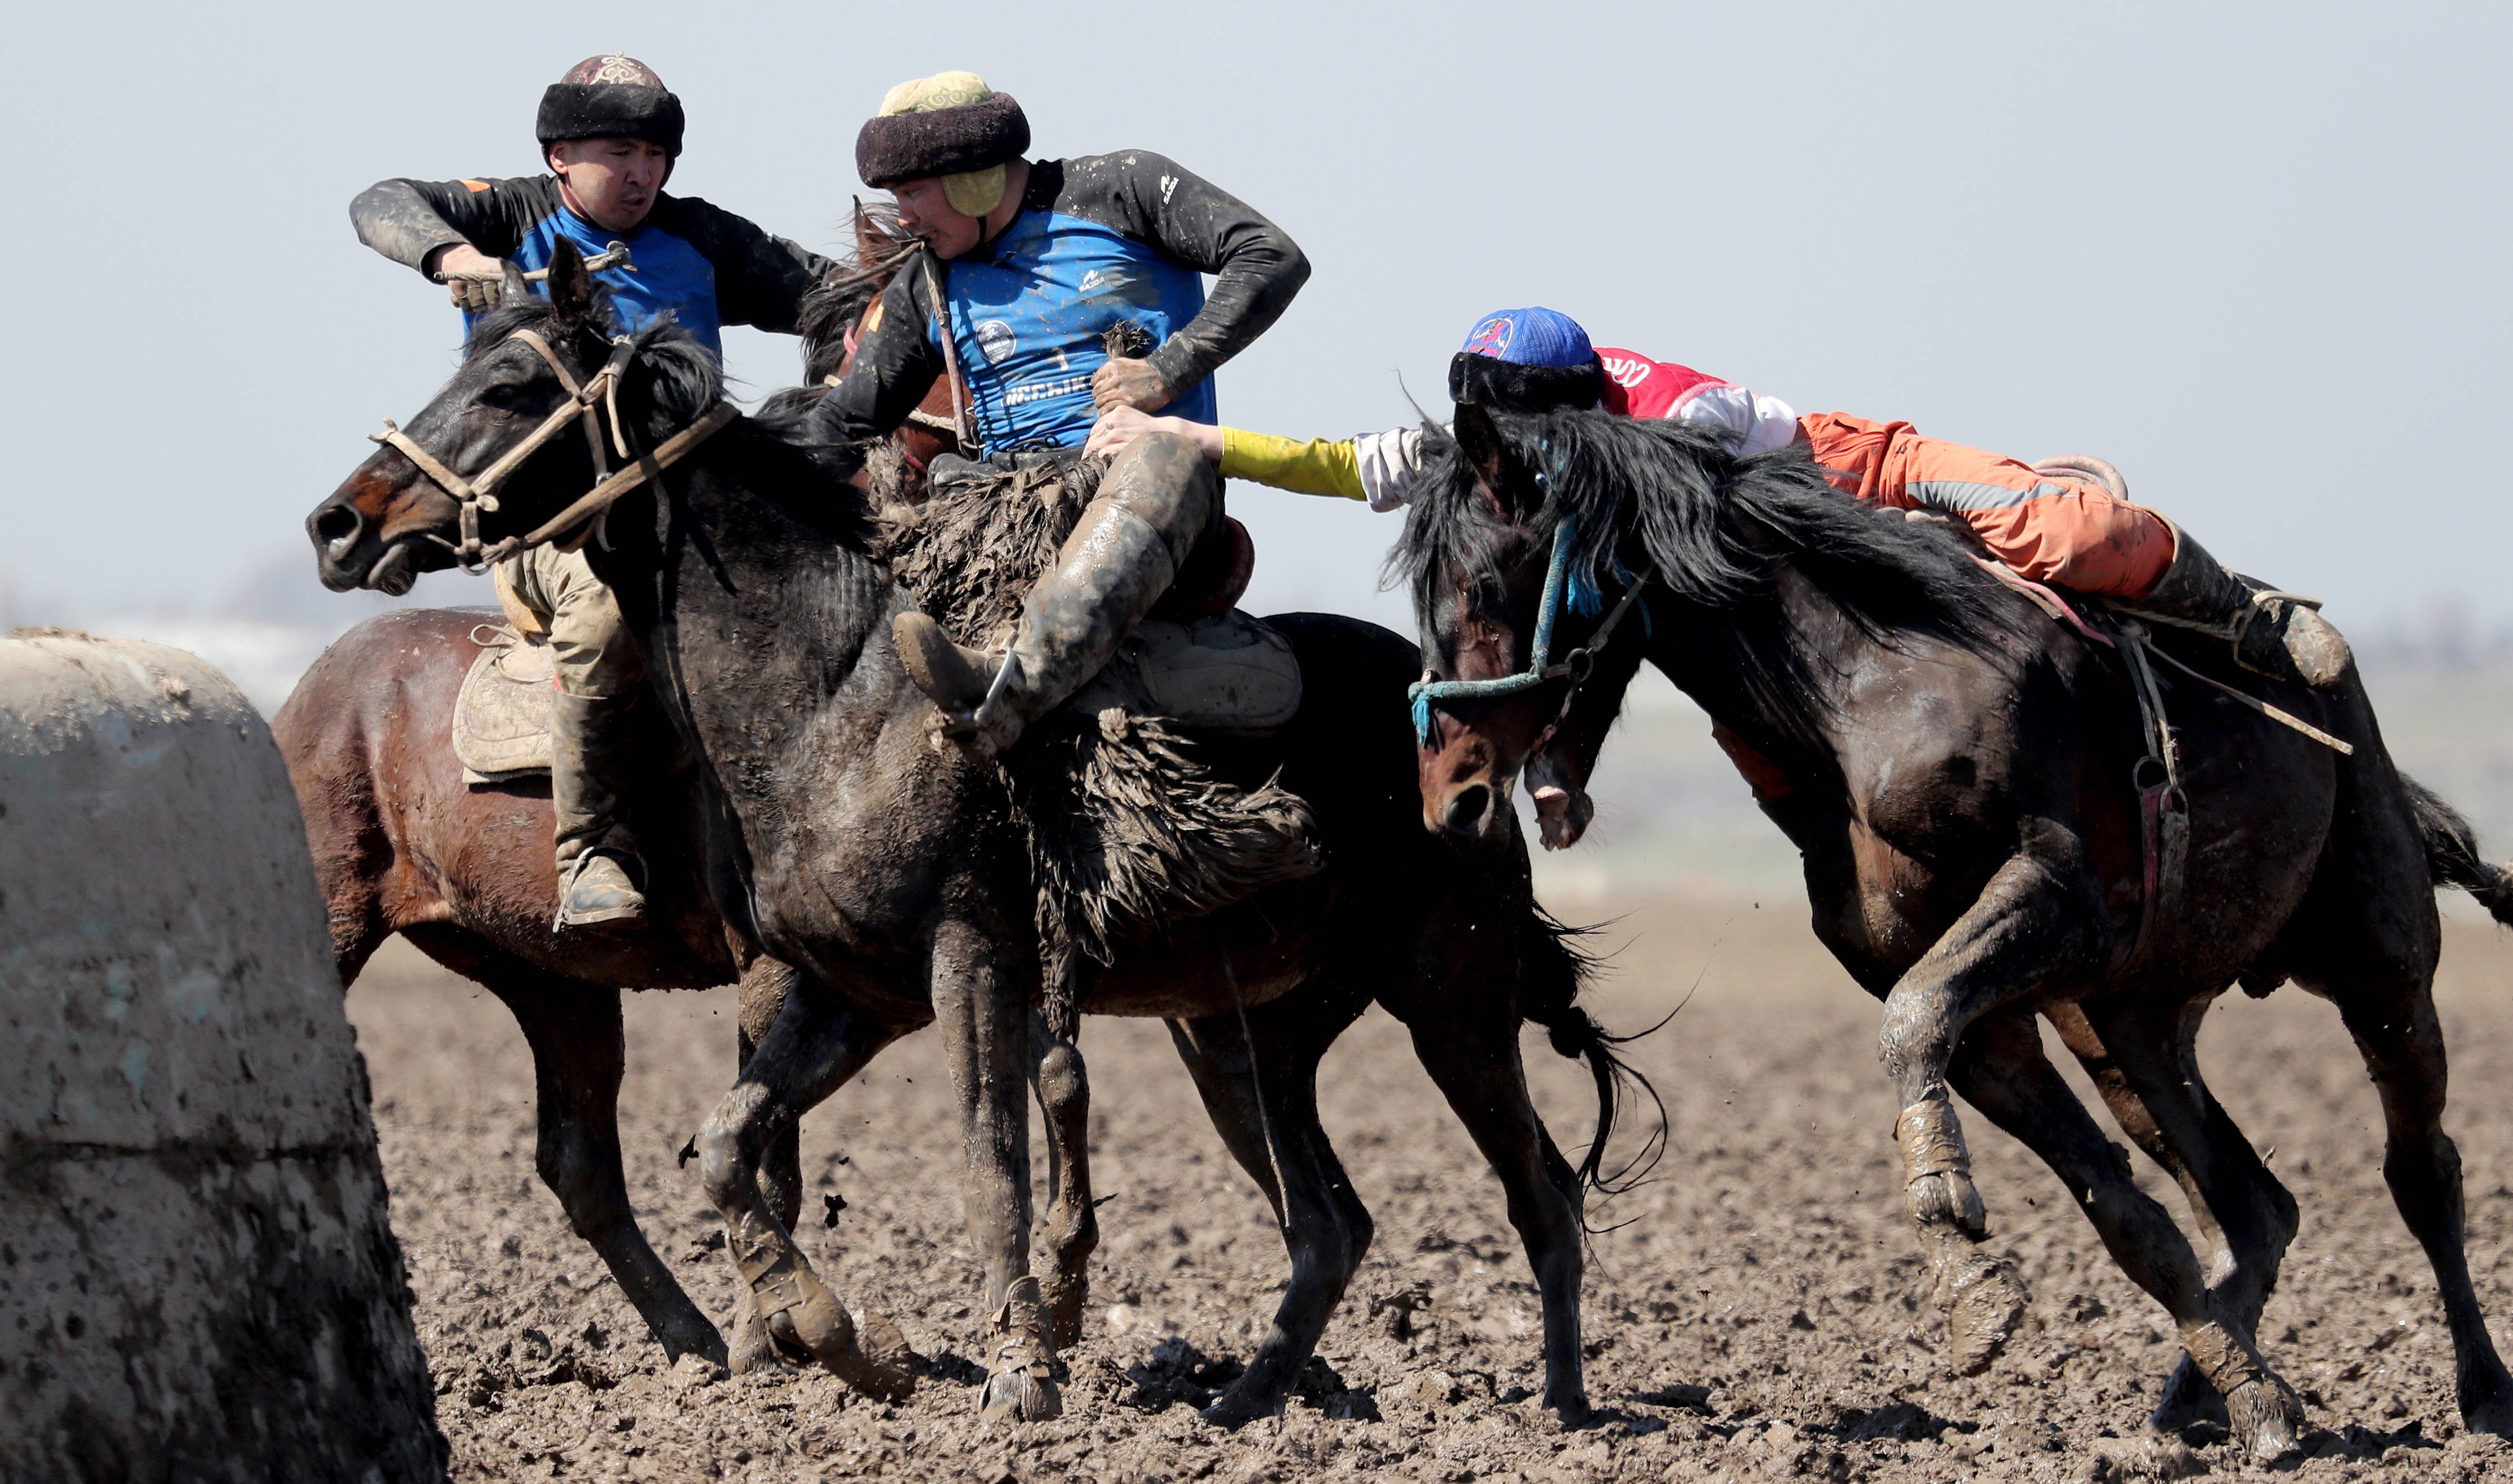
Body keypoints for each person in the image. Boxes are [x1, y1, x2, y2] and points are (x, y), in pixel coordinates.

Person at [1086, 307, 2351, 691]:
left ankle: (2248, 616)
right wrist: (1190, 445)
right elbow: (1336, 461)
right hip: (1766, 565)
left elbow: (1777, 518)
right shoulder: (1509, 448)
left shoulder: (1672, 422)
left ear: (1583, 404)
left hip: (1852, 474)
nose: (1508, 449)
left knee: (2054, 525)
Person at [348, 53, 835, 930]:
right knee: (610, 615)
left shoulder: (703, 238)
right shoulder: (507, 216)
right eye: (619, 150)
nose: (642, 172)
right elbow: (378, 202)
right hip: (554, 526)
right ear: (560, 156)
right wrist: (451, 253)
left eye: (656, 153)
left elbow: (836, 298)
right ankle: (592, 850)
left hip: (697, 519)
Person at [804, 71, 1309, 757]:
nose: (905, 219)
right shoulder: (926, 282)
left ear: (976, 179)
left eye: (914, 194)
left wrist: (1166, 372)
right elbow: (837, 429)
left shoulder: (1124, 190)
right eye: (896, 199)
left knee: (1168, 456)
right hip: (996, 518)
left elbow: (1271, 256)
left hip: (1144, 497)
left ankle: (1012, 688)